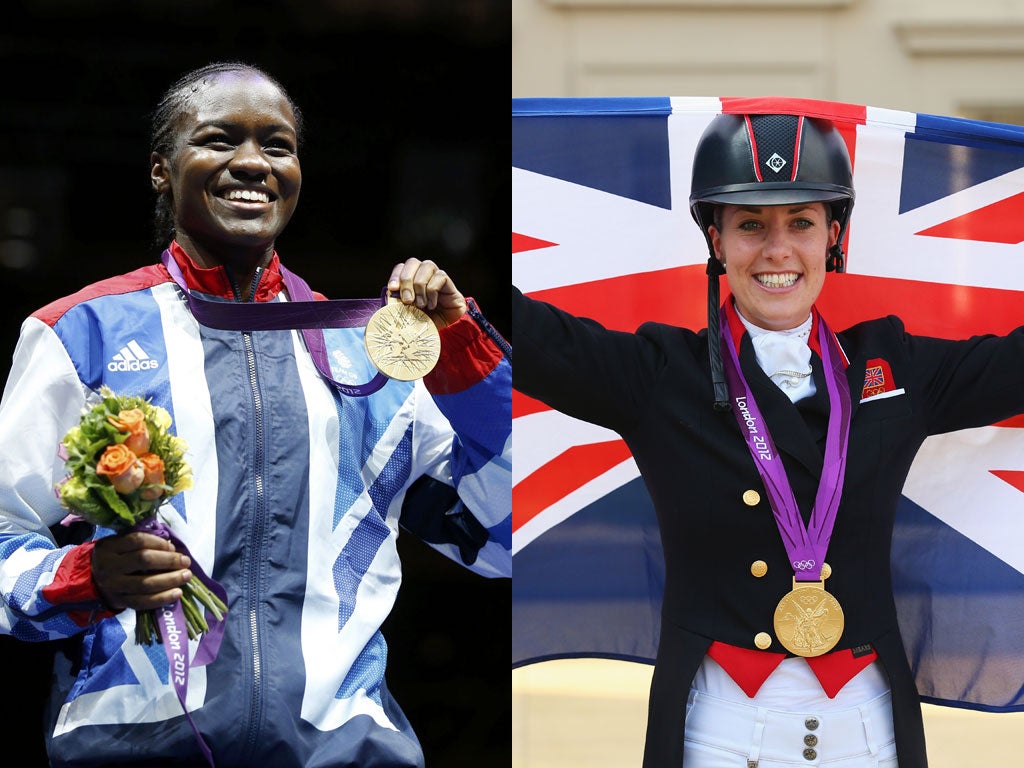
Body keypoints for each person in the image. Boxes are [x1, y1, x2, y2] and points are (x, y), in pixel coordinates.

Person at [0, 61, 511, 768]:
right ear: (161, 170)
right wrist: (88, 574)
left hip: (343, 754)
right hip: (132, 747)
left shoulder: (366, 359)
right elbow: (5, 538)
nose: (251, 162)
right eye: (218, 139)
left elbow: (504, 538)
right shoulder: (80, 334)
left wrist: (467, 355)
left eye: (277, 145)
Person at [512, 111, 1024, 767]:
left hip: (869, 736)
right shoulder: (660, 376)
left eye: (801, 224)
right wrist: (452, 298)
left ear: (833, 236)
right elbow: (533, 339)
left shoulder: (891, 367)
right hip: (719, 737)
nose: (777, 249)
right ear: (716, 241)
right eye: (751, 225)